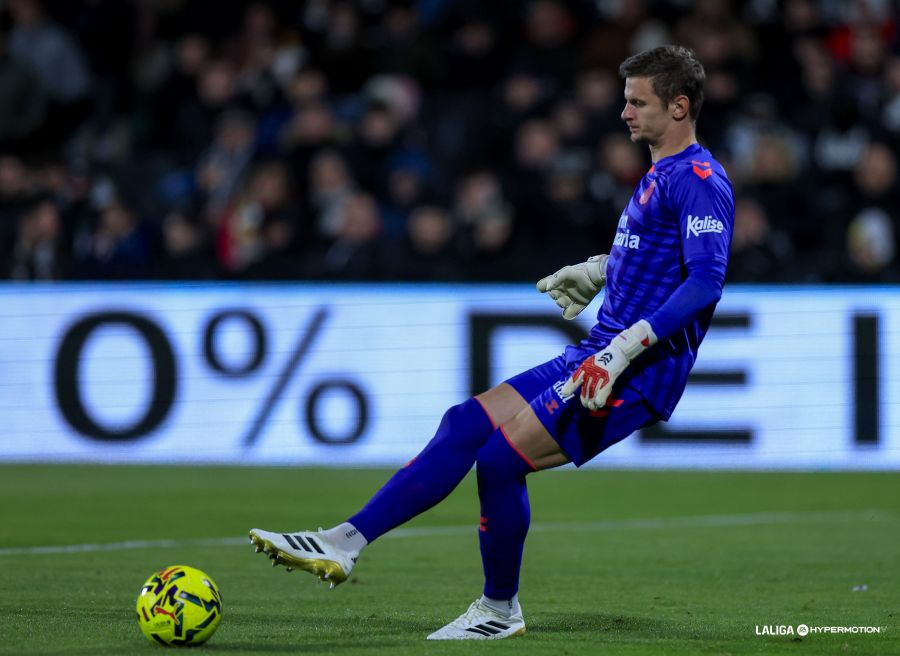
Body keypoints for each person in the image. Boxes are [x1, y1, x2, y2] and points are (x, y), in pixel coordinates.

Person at [249, 45, 734, 640]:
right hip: (599, 351)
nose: (625, 113)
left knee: (501, 460)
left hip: (635, 369)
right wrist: (599, 269)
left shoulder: (700, 181)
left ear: (679, 106)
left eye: (638, 102)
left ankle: (499, 610)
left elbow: (706, 279)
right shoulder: (660, 174)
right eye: (625, 100)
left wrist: (625, 348)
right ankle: (342, 542)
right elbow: (659, 256)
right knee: (463, 423)